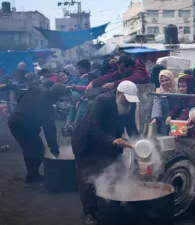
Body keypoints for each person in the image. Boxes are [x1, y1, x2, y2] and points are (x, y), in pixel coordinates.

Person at [71, 81, 140, 225]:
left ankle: (114, 205)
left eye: (130, 100)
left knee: (117, 169)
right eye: (125, 99)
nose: (128, 103)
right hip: (87, 142)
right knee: (89, 176)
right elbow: (92, 127)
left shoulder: (131, 103)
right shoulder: (102, 101)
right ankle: (89, 212)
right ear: (118, 94)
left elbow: (132, 127)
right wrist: (112, 140)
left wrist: (141, 146)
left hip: (110, 138)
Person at [7, 84, 69, 183]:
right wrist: (55, 150)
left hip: (14, 119)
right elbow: (49, 131)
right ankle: (32, 177)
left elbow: (20, 97)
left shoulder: (36, 89)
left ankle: (32, 175)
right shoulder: (47, 108)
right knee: (36, 151)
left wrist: (22, 108)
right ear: (57, 97)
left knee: (30, 149)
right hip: (23, 126)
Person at [150, 69, 178, 134]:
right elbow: (157, 105)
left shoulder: (178, 90)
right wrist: (155, 118)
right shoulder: (159, 92)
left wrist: (171, 115)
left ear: (171, 79)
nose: (164, 83)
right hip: (165, 121)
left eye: (167, 80)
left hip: (177, 120)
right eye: (162, 81)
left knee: (176, 137)